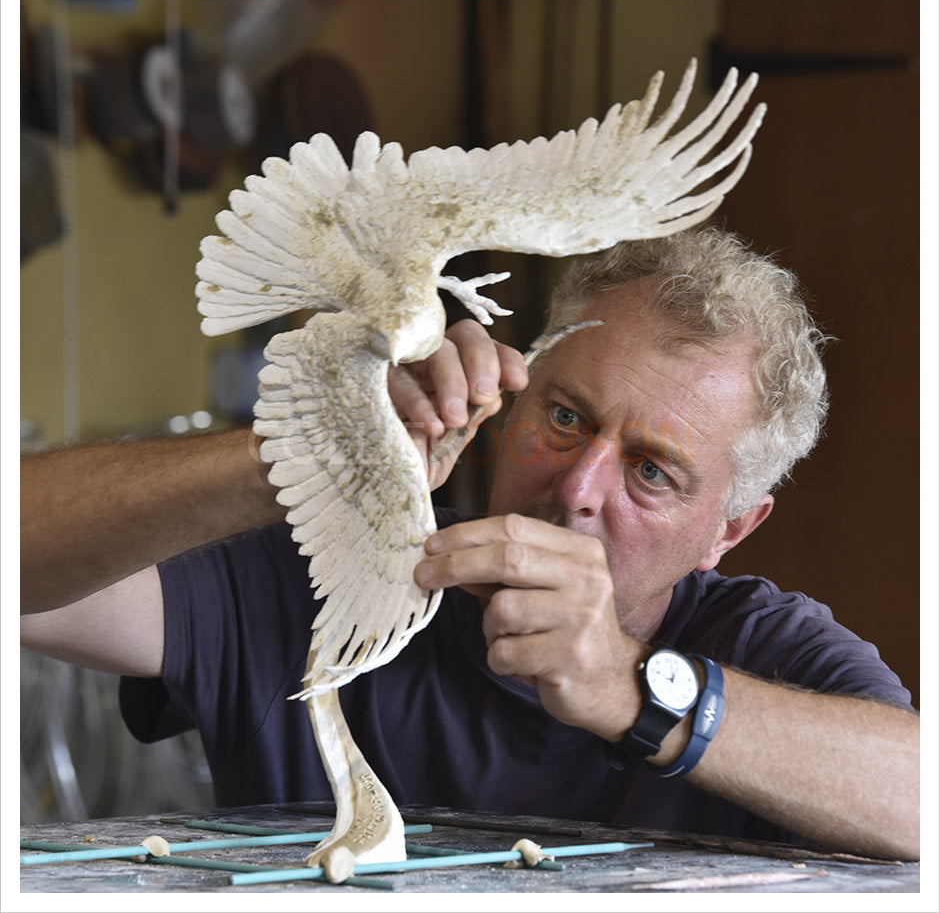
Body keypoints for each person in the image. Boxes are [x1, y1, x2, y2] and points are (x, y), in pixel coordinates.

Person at [20, 226, 919, 861]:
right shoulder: (315, 571)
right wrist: (306, 453)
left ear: (728, 529)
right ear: (512, 400)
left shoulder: (761, 645)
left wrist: (628, 688)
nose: (576, 489)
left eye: (652, 471)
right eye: (564, 417)